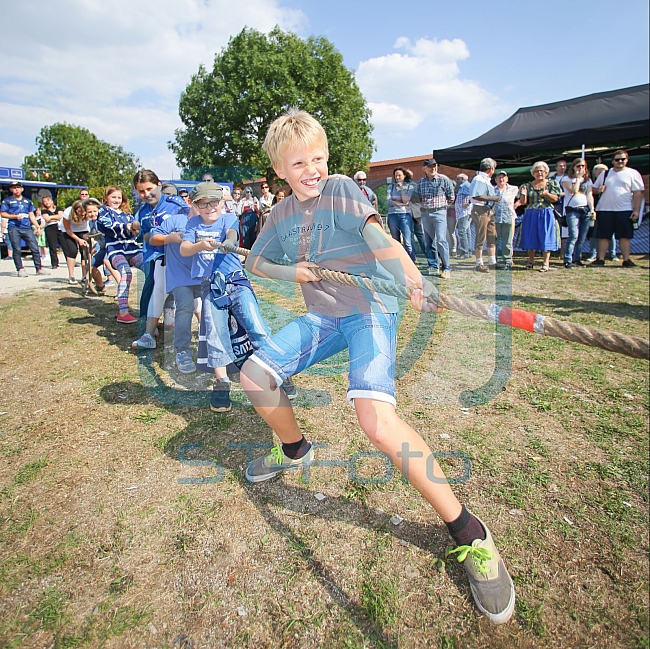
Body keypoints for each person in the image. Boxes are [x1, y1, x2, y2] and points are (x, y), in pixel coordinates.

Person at [240, 108, 515, 625]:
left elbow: (379, 241)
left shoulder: (342, 187)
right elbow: (254, 262)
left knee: (375, 420)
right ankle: (295, 448)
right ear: (280, 169)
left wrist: (412, 280)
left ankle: (470, 532)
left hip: (368, 309)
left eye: (317, 157)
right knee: (254, 377)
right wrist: (292, 269)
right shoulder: (278, 216)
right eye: (298, 162)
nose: (311, 169)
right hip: (323, 315)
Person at [180, 181, 295, 411]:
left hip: (236, 281)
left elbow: (232, 234)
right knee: (215, 333)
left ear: (221, 203)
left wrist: (228, 244)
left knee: (257, 326)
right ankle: (221, 383)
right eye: (204, 204)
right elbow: (184, 249)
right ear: (196, 205)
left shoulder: (229, 218)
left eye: (214, 202)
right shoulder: (192, 223)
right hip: (210, 286)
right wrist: (199, 246)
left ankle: (279, 372)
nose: (210, 207)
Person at [132, 170, 190, 349]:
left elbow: (191, 221)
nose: (146, 194)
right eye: (141, 191)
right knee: (154, 288)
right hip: (157, 255)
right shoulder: (143, 212)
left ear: (159, 184)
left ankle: (209, 336)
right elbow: (146, 235)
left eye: (150, 188)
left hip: (180, 256)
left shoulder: (175, 203)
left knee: (194, 298)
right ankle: (148, 330)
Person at [97, 186, 143, 323]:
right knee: (126, 273)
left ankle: (155, 311)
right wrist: (127, 227)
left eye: (119, 197)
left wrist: (136, 231)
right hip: (115, 249)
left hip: (132, 248)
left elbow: (135, 231)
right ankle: (123, 312)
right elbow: (108, 225)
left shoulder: (127, 215)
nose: (117, 200)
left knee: (152, 269)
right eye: (113, 197)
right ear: (106, 198)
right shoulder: (103, 211)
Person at [591, 150, 644, 267]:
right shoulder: (605, 173)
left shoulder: (633, 173)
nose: (620, 161)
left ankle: (626, 259)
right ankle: (600, 259)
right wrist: (598, 190)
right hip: (605, 209)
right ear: (612, 161)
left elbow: (637, 193)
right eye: (617, 159)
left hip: (625, 209)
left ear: (627, 160)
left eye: (622, 159)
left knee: (624, 236)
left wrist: (636, 210)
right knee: (603, 236)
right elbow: (593, 189)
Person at [517, 162, 561, 272]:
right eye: (536, 171)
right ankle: (530, 261)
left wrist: (547, 194)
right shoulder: (526, 186)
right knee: (531, 236)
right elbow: (523, 202)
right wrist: (523, 195)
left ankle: (546, 263)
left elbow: (556, 199)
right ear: (533, 173)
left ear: (546, 172)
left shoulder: (551, 184)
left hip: (546, 212)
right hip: (531, 213)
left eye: (541, 171)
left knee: (546, 236)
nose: (539, 173)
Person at [417, 159, 455, 278]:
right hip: (425, 213)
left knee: (441, 240)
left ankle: (446, 267)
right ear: (424, 168)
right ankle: (433, 266)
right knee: (429, 241)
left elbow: (451, 196)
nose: (433, 168)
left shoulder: (443, 179)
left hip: (439, 212)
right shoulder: (420, 182)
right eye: (430, 167)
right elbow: (418, 198)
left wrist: (442, 207)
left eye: (435, 166)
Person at [0, 181, 47, 277]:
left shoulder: (27, 201)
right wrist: (14, 217)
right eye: (14, 188)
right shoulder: (7, 201)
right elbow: (2, 213)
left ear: (22, 189)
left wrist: (37, 227)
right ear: (11, 189)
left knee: (34, 247)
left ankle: (39, 268)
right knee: (16, 249)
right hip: (14, 227)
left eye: (18, 187)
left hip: (27, 228)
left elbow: (31, 215)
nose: (16, 189)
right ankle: (20, 269)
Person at [561, 159, 595, 269]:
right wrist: (577, 179)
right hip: (572, 209)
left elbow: (589, 195)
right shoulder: (566, 179)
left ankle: (577, 258)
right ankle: (568, 259)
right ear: (573, 167)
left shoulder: (588, 180)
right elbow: (573, 191)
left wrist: (592, 209)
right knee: (573, 235)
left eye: (583, 166)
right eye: (578, 166)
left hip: (584, 209)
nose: (580, 168)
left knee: (582, 237)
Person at [469, 158, 500, 273]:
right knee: (481, 236)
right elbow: (475, 196)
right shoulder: (479, 179)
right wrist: (493, 198)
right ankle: (479, 263)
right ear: (491, 169)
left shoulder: (486, 179)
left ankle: (492, 261)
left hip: (488, 210)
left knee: (492, 235)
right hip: (480, 209)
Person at [586, 163, 616, 262]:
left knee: (610, 233)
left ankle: (612, 254)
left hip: (608, 210)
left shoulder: (611, 181)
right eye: (601, 172)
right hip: (595, 210)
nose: (605, 174)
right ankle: (593, 254)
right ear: (595, 174)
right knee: (594, 233)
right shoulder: (591, 184)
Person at [387, 167, 417, 262]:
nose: (397, 177)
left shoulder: (409, 187)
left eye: (399, 175)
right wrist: (401, 204)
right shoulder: (390, 187)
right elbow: (388, 202)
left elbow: (406, 200)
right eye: (395, 175)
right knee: (396, 242)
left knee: (407, 242)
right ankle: (399, 263)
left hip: (405, 215)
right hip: (392, 216)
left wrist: (401, 189)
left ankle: (411, 262)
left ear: (404, 176)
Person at [493, 171, 520, 270]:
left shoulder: (514, 189)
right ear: (496, 180)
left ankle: (508, 260)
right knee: (494, 240)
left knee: (507, 240)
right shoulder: (492, 189)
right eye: (499, 177)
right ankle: (493, 260)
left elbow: (523, 197)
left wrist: (518, 203)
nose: (501, 179)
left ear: (507, 179)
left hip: (509, 217)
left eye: (503, 177)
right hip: (495, 218)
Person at [62, 199, 91, 285]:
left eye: (84, 212)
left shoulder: (88, 212)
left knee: (85, 251)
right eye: (79, 211)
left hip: (83, 229)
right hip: (69, 230)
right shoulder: (68, 212)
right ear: (75, 210)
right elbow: (67, 229)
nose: (82, 214)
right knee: (72, 250)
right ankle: (71, 275)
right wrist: (78, 240)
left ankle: (84, 275)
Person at [39, 192, 63, 270]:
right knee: (52, 246)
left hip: (60, 227)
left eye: (48, 200)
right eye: (45, 201)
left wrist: (51, 217)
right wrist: (55, 217)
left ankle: (69, 260)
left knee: (65, 245)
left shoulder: (58, 208)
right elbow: (47, 219)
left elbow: (61, 216)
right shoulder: (44, 211)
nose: (47, 202)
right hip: (50, 228)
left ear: (51, 201)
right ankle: (54, 263)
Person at [454, 174, 472, 258]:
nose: (456, 181)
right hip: (461, 212)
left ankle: (465, 252)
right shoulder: (462, 187)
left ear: (462, 179)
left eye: (457, 179)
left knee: (462, 231)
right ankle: (468, 252)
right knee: (466, 232)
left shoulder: (467, 185)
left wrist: (469, 202)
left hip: (465, 212)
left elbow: (474, 195)